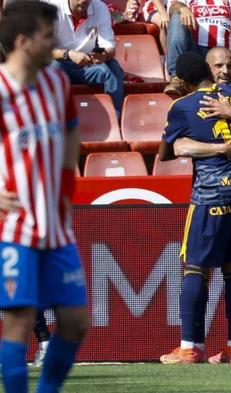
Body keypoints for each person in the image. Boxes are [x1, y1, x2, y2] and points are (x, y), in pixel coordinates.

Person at [0, 1, 89, 391]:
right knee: (19, 319)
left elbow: (71, 130)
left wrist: (67, 182)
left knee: (75, 320)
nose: (55, 43)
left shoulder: (56, 81)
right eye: (47, 36)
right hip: (15, 227)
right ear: (23, 41)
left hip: (57, 226)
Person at [158, 51, 231, 364]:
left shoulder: (182, 106)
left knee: (194, 267)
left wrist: (212, 146)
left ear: (182, 81)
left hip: (210, 198)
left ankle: (191, 347)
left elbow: (169, 151)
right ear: (209, 70)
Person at [45, 0, 125, 118]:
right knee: (53, 67)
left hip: (88, 63)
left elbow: (110, 47)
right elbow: (41, 50)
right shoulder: (51, 8)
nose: (83, 1)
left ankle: (116, 119)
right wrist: (68, 54)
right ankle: (55, 120)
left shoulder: (100, 8)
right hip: (59, 61)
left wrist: (103, 55)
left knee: (112, 66)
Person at [164, 0, 231, 95]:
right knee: (177, 16)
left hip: (224, 54)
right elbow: (173, 7)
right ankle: (176, 78)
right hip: (195, 51)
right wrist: (183, 8)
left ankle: (229, 97)